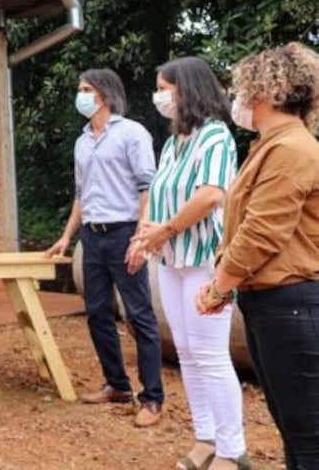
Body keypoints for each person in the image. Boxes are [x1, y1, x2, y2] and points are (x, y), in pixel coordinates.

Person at [197, 42, 319, 470]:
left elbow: (262, 231)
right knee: (294, 428)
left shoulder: (290, 150)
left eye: (244, 89)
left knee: (308, 438)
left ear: (265, 92)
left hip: (291, 304)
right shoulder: (272, 145)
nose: (239, 99)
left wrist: (218, 286)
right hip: (273, 304)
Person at [130, 58, 248, 469]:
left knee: (211, 354)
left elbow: (212, 194)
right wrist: (145, 235)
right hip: (171, 261)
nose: (160, 97)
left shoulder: (216, 138)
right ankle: (205, 438)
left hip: (203, 260)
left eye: (167, 88)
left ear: (189, 90)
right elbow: (160, 197)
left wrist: (165, 230)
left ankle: (232, 452)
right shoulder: (175, 142)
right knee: (187, 352)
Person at [44, 68, 164, 427]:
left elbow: (148, 187)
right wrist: (67, 236)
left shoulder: (132, 133)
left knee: (139, 315)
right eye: (79, 88)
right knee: (97, 313)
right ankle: (117, 384)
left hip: (125, 230)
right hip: (92, 237)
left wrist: (141, 237)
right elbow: (82, 195)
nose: (80, 95)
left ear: (105, 94)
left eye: (86, 89)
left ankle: (152, 397)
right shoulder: (82, 142)